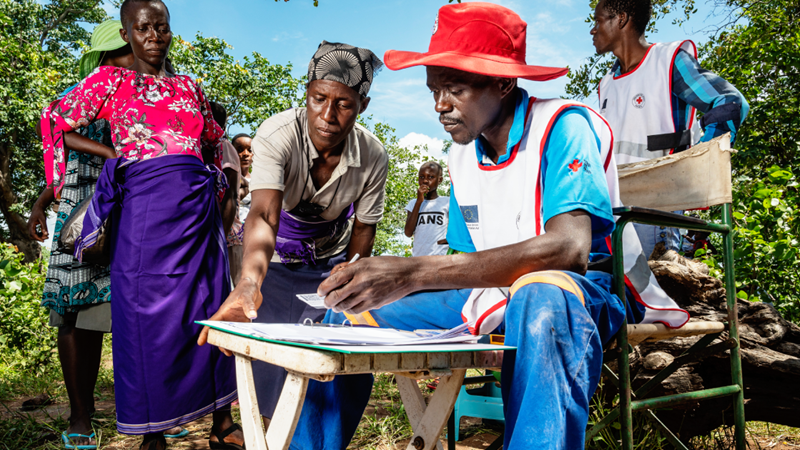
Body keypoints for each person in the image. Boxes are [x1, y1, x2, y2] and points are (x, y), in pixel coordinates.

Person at [202, 3, 651, 448]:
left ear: (503, 81)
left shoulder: (564, 125)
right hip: (497, 292)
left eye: (454, 88)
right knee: (346, 309)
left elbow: (567, 251)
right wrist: (382, 277)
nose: (440, 104)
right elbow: (465, 262)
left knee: (543, 298)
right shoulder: (463, 153)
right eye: (434, 89)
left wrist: (412, 271)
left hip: (583, 289)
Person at [45, 1, 242, 448]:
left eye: (161, 27)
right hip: (145, 212)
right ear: (126, 32)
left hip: (196, 213)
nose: (154, 35)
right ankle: (152, 431)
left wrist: (219, 180)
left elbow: (212, 138)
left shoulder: (189, 85)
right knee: (145, 320)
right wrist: (115, 158)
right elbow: (57, 120)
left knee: (208, 308)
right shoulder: (109, 81)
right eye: (143, 27)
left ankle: (221, 422)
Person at [200, 41, 388, 430]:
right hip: (274, 262)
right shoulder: (277, 134)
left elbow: (363, 230)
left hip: (329, 266)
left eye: (344, 104)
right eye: (319, 98)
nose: (328, 115)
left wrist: (348, 282)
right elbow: (265, 214)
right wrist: (250, 283)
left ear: (363, 105)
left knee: (329, 369)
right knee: (269, 370)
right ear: (306, 93)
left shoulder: (373, 155)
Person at [29, 20, 133, 450]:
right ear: (105, 57)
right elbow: (59, 144)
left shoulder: (146, 98)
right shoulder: (82, 95)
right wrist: (40, 202)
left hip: (131, 215)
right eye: (125, 52)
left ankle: (148, 414)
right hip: (81, 218)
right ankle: (80, 415)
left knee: (135, 317)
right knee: (76, 317)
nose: (137, 58)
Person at [591, 0, 749, 256]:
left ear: (620, 19)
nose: (592, 30)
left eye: (598, 21)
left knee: (654, 291)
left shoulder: (667, 62)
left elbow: (730, 103)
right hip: (614, 209)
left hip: (656, 210)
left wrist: (699, 163)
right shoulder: (607, 83)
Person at [210, 102, 243, 284]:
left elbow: (229, 195)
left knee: (237, 287)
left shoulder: (224, 147)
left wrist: (220, 234)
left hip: (228, 231)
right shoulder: (206, 149)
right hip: (217, 230)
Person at [404, 161, 449, 256]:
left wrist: (449, 240)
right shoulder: (413, 203)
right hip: (418, 258)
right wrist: (419, 202)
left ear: (440, 180)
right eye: (421, 177)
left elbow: (458, 226)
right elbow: (408, 232)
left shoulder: (447, 202)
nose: (425, 181)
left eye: (431, 177)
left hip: (440, 256)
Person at [226, 132, 253, 285]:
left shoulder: (260, 181)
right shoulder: (225, 178)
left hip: (252, 239)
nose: (245, 154)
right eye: (240, 149)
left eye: (249, 150)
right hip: (232, 240)